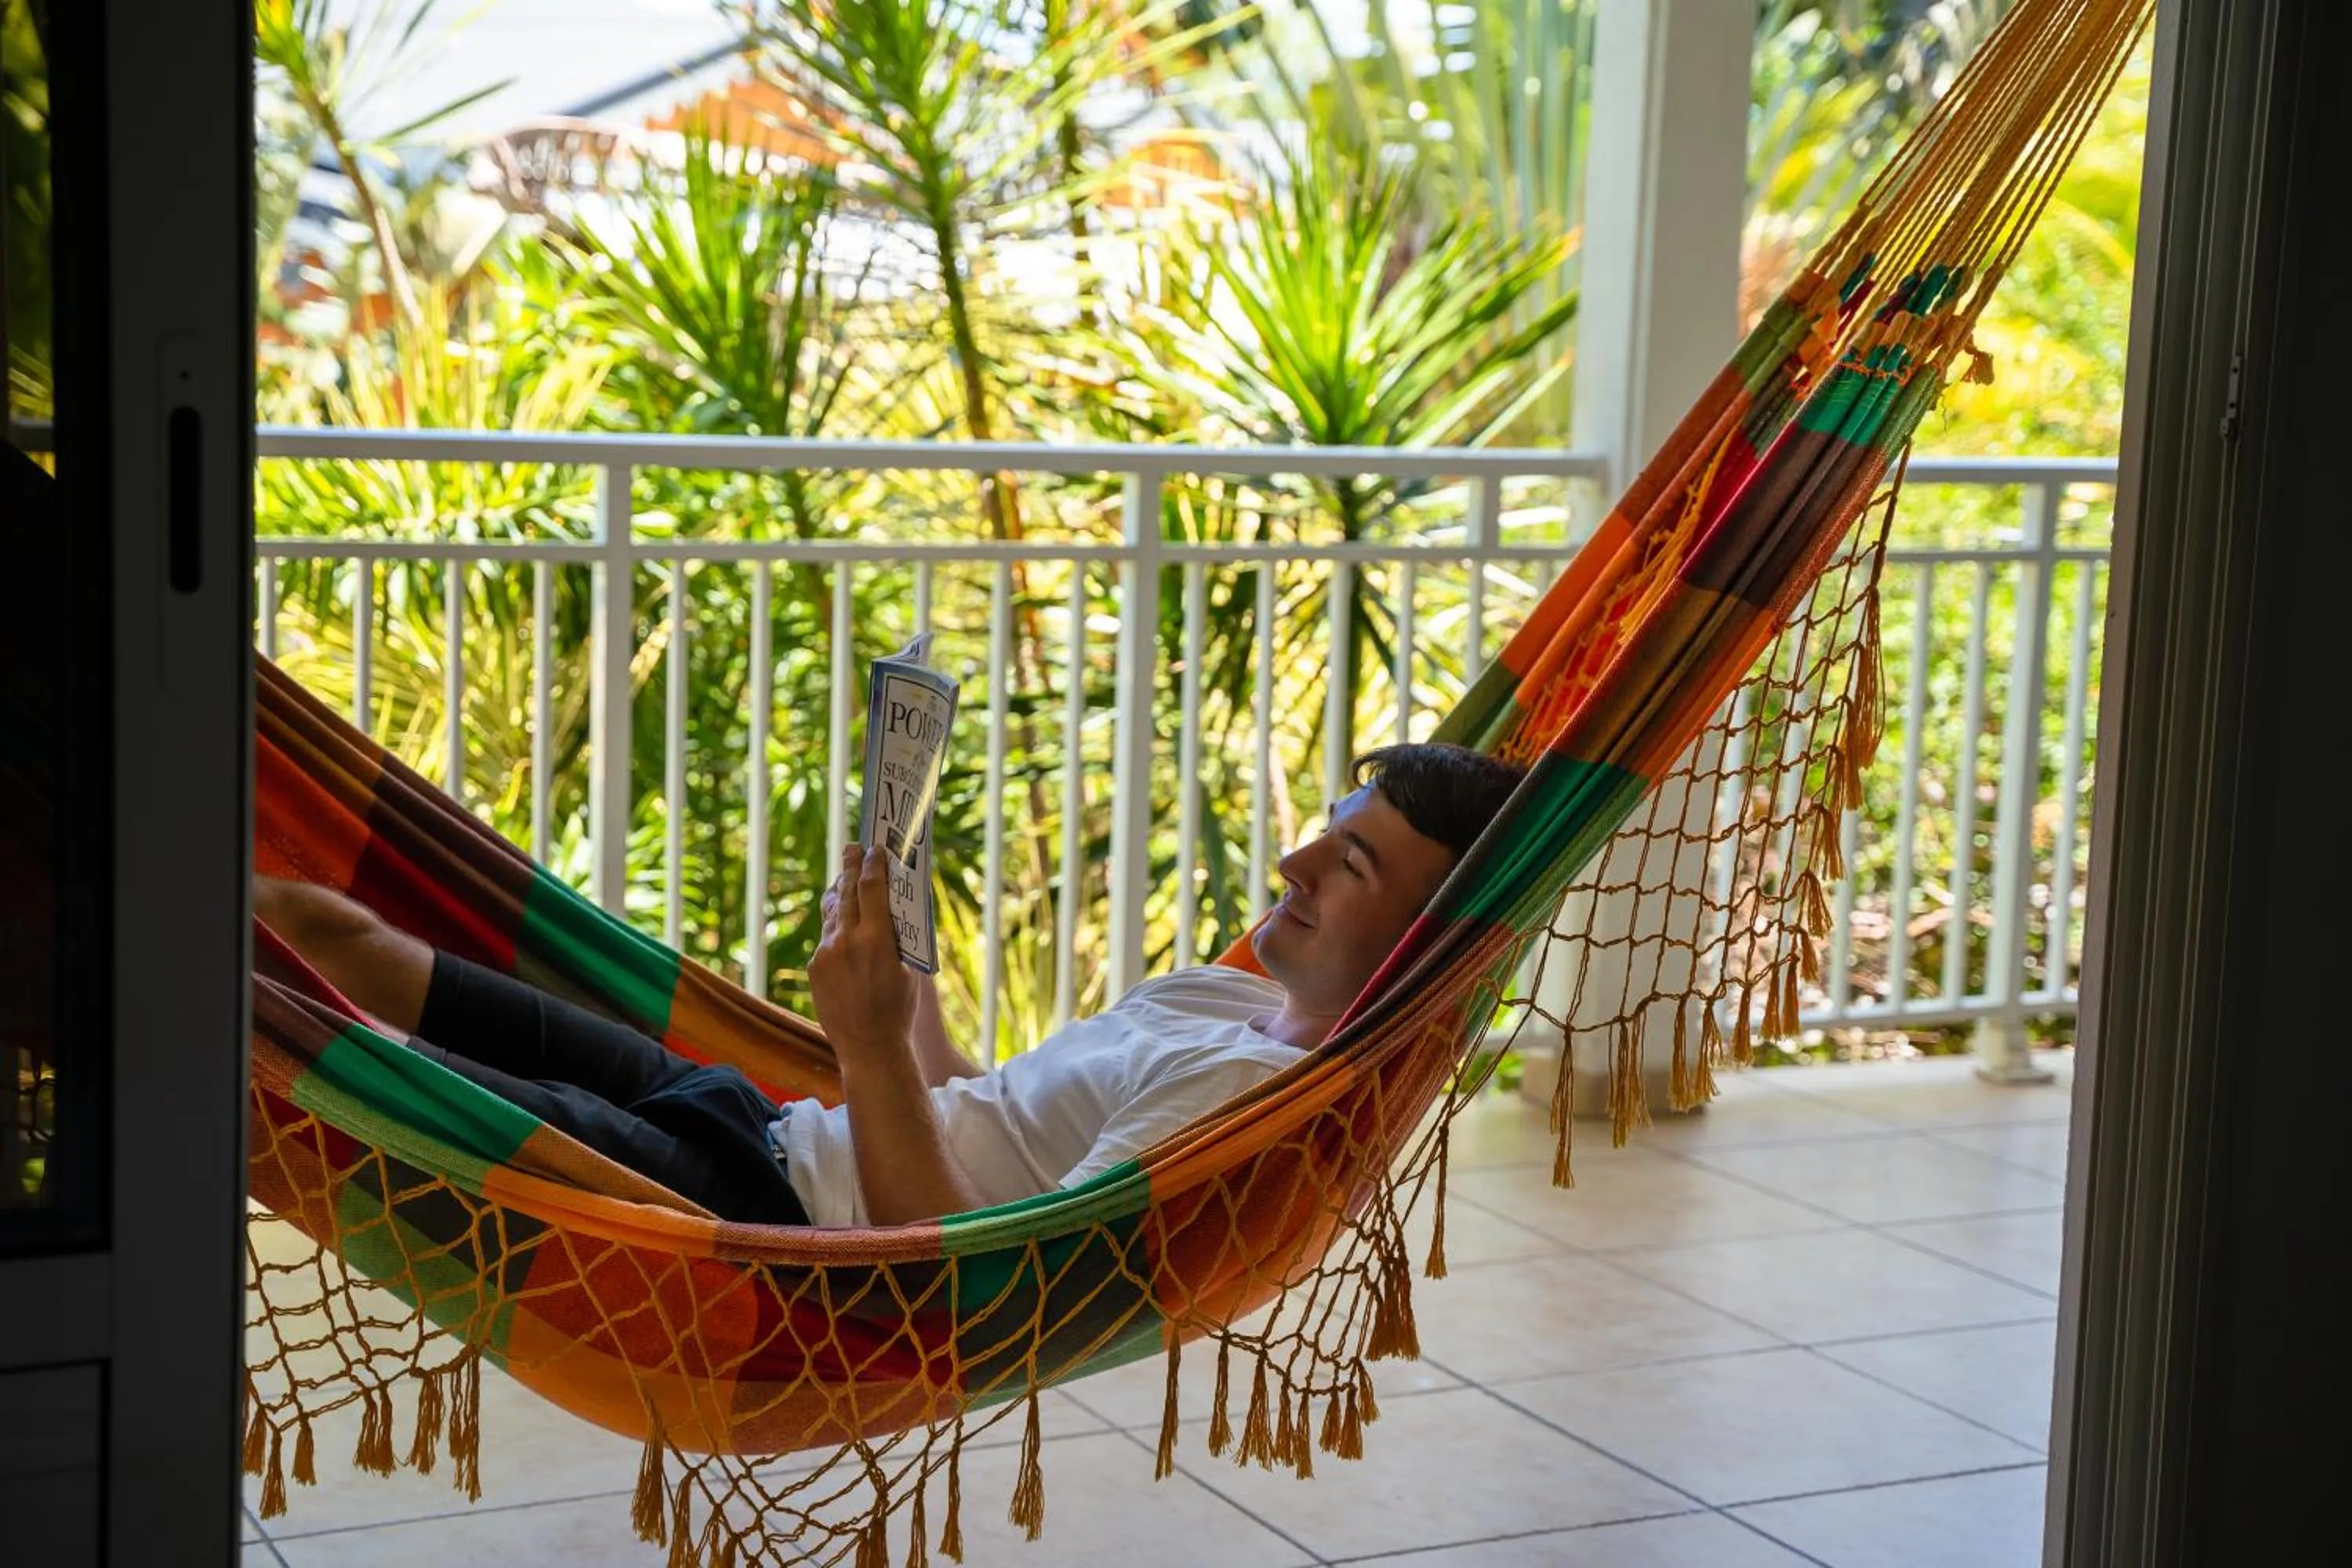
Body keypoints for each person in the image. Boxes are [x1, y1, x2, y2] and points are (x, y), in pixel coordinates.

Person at [256, 742, 1524, 1228]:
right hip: (753, 1119)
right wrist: (905, 987)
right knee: (350, 945)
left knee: (340, 1064)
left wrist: (857, 1039)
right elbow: (974, 1105)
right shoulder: (1220, 998)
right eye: (1325, 827)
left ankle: (118, 953)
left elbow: (968, 1267)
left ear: (1423, 939)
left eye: (1350, 861)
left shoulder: (1249, 1098)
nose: (1295, 861)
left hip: (751, 1208)